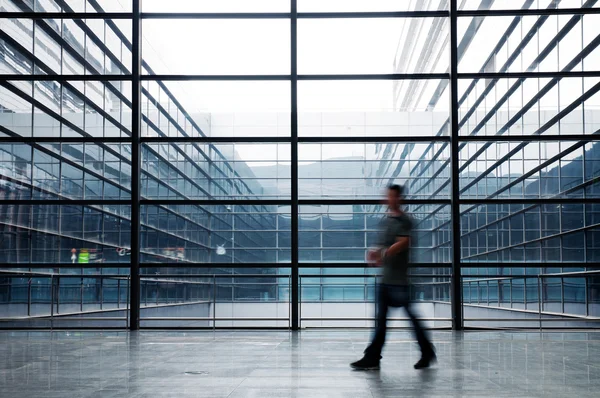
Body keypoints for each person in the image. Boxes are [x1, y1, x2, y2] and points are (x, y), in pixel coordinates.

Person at [351, 184, 436, 370]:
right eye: (387, 196)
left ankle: (427, 351)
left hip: (399, 281)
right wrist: (374, 253)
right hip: (386, 280)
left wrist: (381, 254)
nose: (387, 199)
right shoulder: (386, 221)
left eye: (391, 196)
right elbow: (383, 245)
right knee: (382, 321)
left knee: (410, 320)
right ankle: (373, 356)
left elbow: (403, 243)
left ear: (399, 198)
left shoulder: (405, 221)